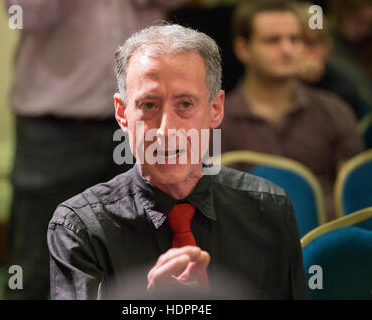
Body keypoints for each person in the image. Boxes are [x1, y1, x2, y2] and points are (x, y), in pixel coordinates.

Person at [47, 24, 307, 300]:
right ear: (123, 114)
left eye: (184, 105)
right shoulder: (80, 228)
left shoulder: (269, 209)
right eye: (149, 105)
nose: (166, 131)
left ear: (215, 109)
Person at [3, 0, 185, 299]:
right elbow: (26, 17)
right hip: (56, 130)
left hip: (140, 122)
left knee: (141, 260)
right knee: (37, 263)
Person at [221, 0, 364, 221]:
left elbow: (356, 196)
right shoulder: (215, 120)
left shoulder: (334, 110)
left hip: (326, 239)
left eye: (295, 39)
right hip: (252, 243)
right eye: (273, 40)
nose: (287, 49)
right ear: (243, 49)